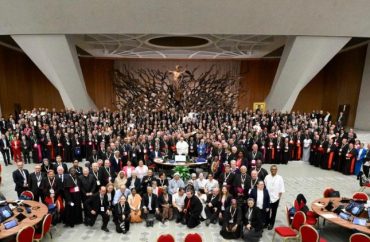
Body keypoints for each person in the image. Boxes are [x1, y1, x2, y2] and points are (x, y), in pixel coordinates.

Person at [264, 165, 285, 230]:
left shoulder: (280, 178)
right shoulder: (267, 177)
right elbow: (264, 186)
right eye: (272, 169)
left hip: (275, 198)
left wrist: (279, 198)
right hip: (267, 198)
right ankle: (266, 223)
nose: (273, 170)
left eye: (275, 169)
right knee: (267, 211)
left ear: (276, 170)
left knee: (273, 212)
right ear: (270, 170)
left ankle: (271, 224)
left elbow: (281, 189)